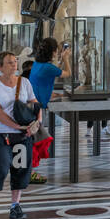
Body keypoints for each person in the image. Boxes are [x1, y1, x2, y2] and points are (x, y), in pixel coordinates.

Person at [0, 50, 40, 219]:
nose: (14, 65)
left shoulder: (25, 82)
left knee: (20, 169)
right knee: (1, 166)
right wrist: (17, 126)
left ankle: (15, 205)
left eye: (15, 62)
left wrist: (36, 124)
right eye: (9, 62)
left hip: (22, 135)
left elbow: (35, 105)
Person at [28, 36, 71, 184]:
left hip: (33, 104)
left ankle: (29, 170)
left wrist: (52, 94)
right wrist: (65, 58)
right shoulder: (47, 67)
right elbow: (67, 73)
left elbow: (41, 83)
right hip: (36, 108)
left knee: (34, 138)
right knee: (34, 140)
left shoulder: (38, 64)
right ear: (53, 52)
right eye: (57, 51)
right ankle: (29, 172)